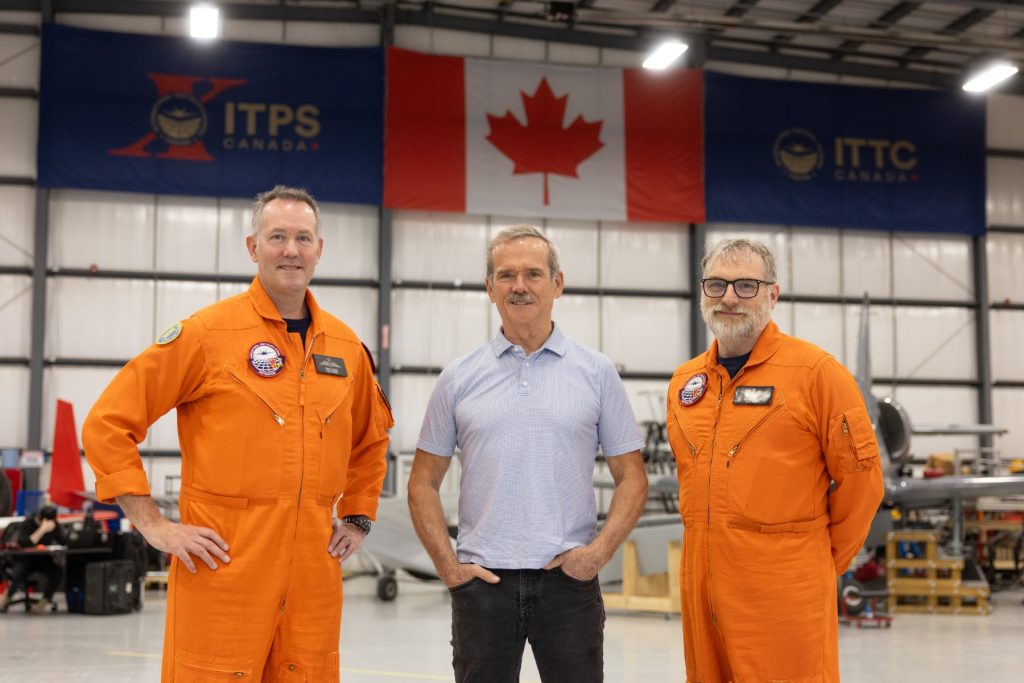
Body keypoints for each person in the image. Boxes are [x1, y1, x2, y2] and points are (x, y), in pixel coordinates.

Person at [83, 186, 392, 681]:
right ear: (253, 248)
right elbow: (108, 423)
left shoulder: (347, 348)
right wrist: (152, 524)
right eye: (277, 237)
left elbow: (372, 441)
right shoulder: (207, 335)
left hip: (313, 576)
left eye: (302, 238)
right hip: (223, 568)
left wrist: (357, 516)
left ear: (319, 249)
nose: (291, 250)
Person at [408, 224, 649, 683]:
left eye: (534, 274)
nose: (520, 286)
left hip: (569, 584)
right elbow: (421, 483)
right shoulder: (458, 378)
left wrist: (596, 556)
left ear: (558, 284)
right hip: (483, 587)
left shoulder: (596, 373)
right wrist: (447, 566)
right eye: (506, 275)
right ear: (489, 288)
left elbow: (632, 478)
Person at [667, 238, 884, 682]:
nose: (729, 297)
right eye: (717, 284)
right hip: (701, 591)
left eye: (746, 285)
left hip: (785, 597)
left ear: (773, 294)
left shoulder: (817, 374)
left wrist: (817, 563)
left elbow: (863, 483)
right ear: (702, 292)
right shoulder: (685, 383)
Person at [0, 504, 67, 614]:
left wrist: (56, 530)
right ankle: (6, 599)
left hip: (42, 559)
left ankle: (44, 600)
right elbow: (24, 543)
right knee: (18, 573)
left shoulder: (53, 524)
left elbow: (63, 542)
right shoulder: (29, 523)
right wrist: (42, 530)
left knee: (57, 572)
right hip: (25, 559)